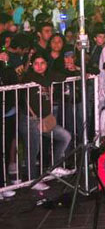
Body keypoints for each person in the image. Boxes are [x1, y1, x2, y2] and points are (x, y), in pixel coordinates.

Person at [20, 53, 74, 189]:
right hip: (29, 119)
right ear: (31, 65)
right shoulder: (28, 76)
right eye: (36, 63)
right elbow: (46, 80)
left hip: (45, 119)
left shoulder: (46, 76)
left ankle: (54, 166)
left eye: (42, 63)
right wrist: (52, 76)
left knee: (65, 136)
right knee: (33, 149)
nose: (39, 66)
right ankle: (32, 180)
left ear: (46, 64)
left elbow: (62, 76)